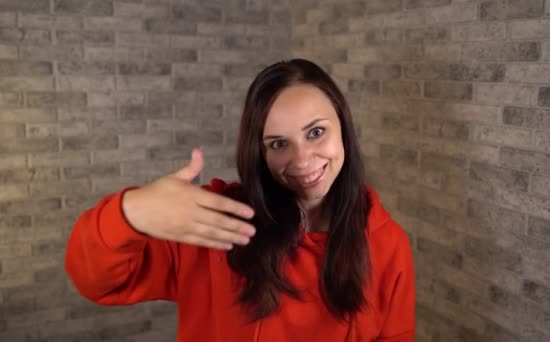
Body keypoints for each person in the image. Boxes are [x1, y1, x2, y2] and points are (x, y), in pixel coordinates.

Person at [65, 59, 415, 341]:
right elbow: (94, 281)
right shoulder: (215, 223)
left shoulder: (387, 243)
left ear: (343, 129)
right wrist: (132, 212)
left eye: (316, 132)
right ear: (259, 152)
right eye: (279, 143)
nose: (303, 160)